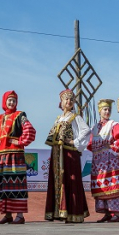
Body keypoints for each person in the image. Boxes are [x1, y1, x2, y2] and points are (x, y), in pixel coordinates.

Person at [44, 89, 91, 223]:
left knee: (71, 179)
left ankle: (73, 212)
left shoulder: (75, 117)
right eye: (66, 99)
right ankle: (59, 212)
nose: (69, 101)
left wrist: (75, 142)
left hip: (70, 152)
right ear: (61, 102)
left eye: (71, 100)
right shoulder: (59, 118)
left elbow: (86, 130)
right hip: (58, 153)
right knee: (59, 180)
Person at [0, 90, 36, 224]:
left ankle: (20, 216)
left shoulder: (20, 115)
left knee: (16, 185)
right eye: (9, 100)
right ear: (4, 102)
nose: (11, 102)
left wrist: (21, 141)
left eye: (14, 100)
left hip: (16, 156)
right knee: (3, 185)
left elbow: (30, 130)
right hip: (3, 156)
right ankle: (7, 214)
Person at [87, 99, 119, 222]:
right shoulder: (94, 127)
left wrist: (114, 146)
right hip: (98, 162)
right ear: (100, 111)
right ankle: (106, 212)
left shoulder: (113, 124)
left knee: (112, 185)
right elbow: (89, 143)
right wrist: (96, 150)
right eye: (105, 109)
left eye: (109, 110)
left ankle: (115, 213)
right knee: (100, 185)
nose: (107, 112)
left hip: (110, 161)